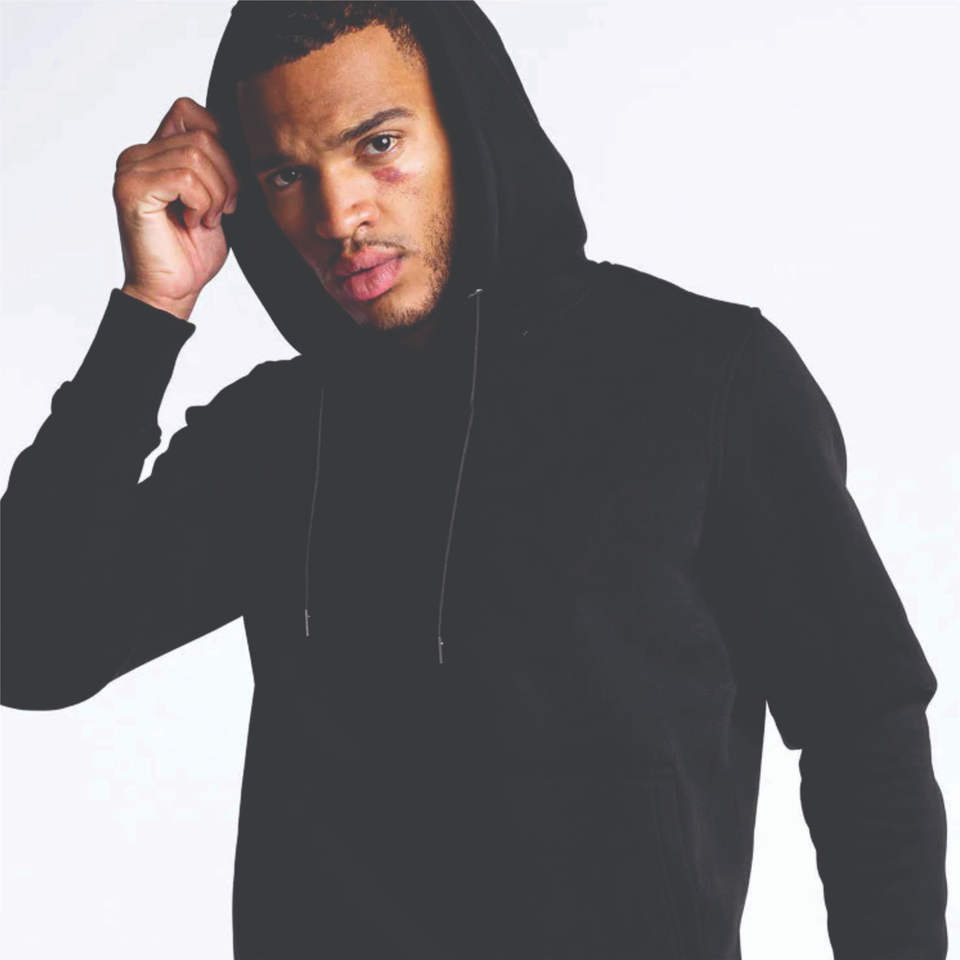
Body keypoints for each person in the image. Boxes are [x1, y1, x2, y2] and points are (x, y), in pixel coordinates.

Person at [1, 2, 947, 958]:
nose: (337, 217)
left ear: (468, 122)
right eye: (288, 174)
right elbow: (29, 646)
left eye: (377, 145)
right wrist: (149, 311)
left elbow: (863, 733)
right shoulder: (276, 434)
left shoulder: (703, 377)